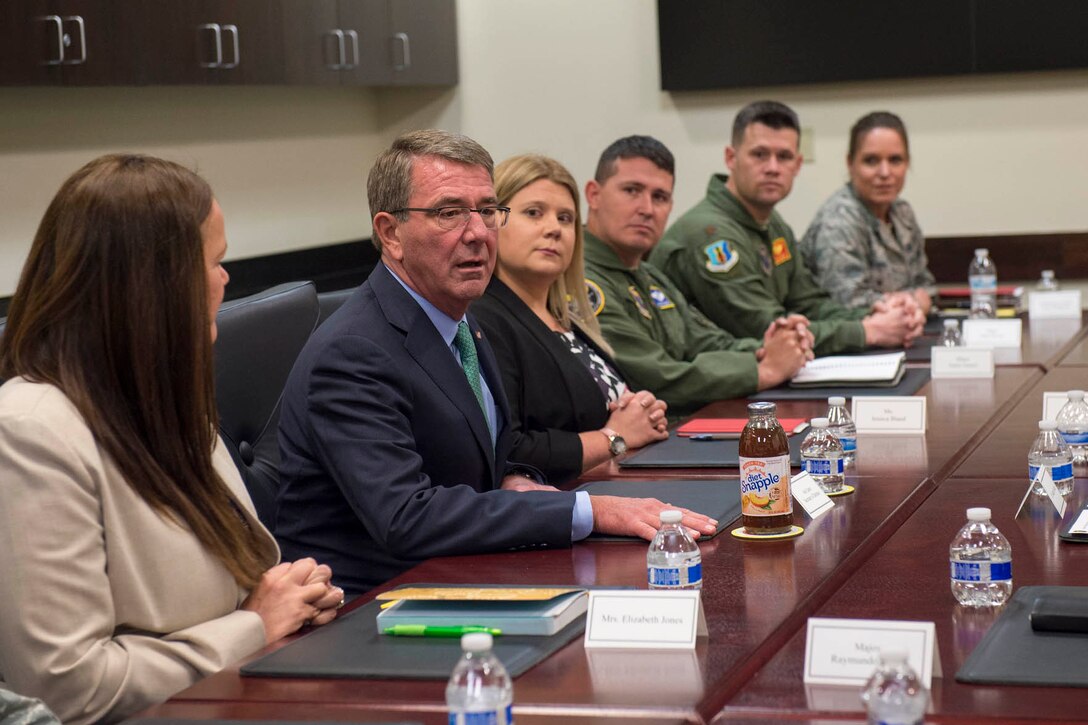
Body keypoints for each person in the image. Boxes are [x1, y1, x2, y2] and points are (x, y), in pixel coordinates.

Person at [274, 130, 716, 595]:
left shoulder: (460, 321)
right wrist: (591, 511)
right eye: (448, 213)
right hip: (375, 609)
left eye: (487, 211)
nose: (478, 234)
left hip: (468, 571)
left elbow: (492, 457)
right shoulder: (353, 351)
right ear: (391, 234)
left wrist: (519, 479)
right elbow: (406, 517)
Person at [0, 154, 344, 724]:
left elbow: (244, 583)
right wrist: (257, 623)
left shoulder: (165, 406)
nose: (227, 279)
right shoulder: (29, 434)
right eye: (216, 261)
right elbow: (67, 689)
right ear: (155, 285)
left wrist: (295, 596)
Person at [652, 101, 924, 357]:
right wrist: (868, 331)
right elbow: (765, 327)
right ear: (731, 158)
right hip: (694, 397)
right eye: (759, 155)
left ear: (797, 164)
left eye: (784, 156)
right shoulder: (710, 235)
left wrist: (871, 313)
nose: (772, 168)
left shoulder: (773, 224)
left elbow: (809, 303)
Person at [470, 154, 668, 485]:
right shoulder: (483, 319)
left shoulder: (565, 317)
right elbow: (509, 449)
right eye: (534, 213)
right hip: (563, 504)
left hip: (622, 480)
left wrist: (645, 412)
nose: (553, 229)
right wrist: (614, 437)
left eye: (565, 218)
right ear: (494, 220)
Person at [580, 135, 812, 418]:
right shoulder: (580, 282)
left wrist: (773, 346)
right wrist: (764, 370)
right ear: (594, 195)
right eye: (631, 190)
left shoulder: (647, 273)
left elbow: (705, 341)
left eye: (660, 197)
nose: (647, 209)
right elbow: (657, 379)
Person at [799, 111, 936, 315]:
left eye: (895, 160)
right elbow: (847, 303)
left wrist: (911, 302)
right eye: (871, 161)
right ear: (850, 163)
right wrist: (913, 303)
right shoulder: (838, 220)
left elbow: (927, 287)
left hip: (900, 332)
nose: (884, 173)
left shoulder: (902, 213)